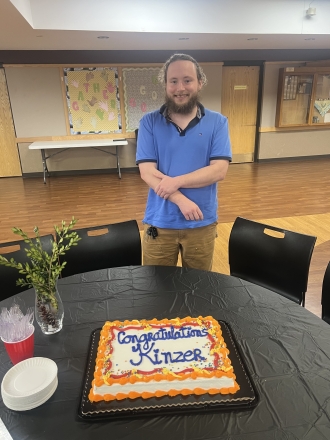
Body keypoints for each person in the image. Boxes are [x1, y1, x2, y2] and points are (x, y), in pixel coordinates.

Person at [136, 53, 232, 271]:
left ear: (200, 83)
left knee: (197, 289)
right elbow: (147, 172)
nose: (180, 87)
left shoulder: (218, 122)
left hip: (202, 222)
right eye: (173, 81)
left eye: (187, 80)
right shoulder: (149, 122)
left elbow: (218, 171)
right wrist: (180, 200)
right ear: (165, 84)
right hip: (160, 222)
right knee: (157, 288)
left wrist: (175, 181)